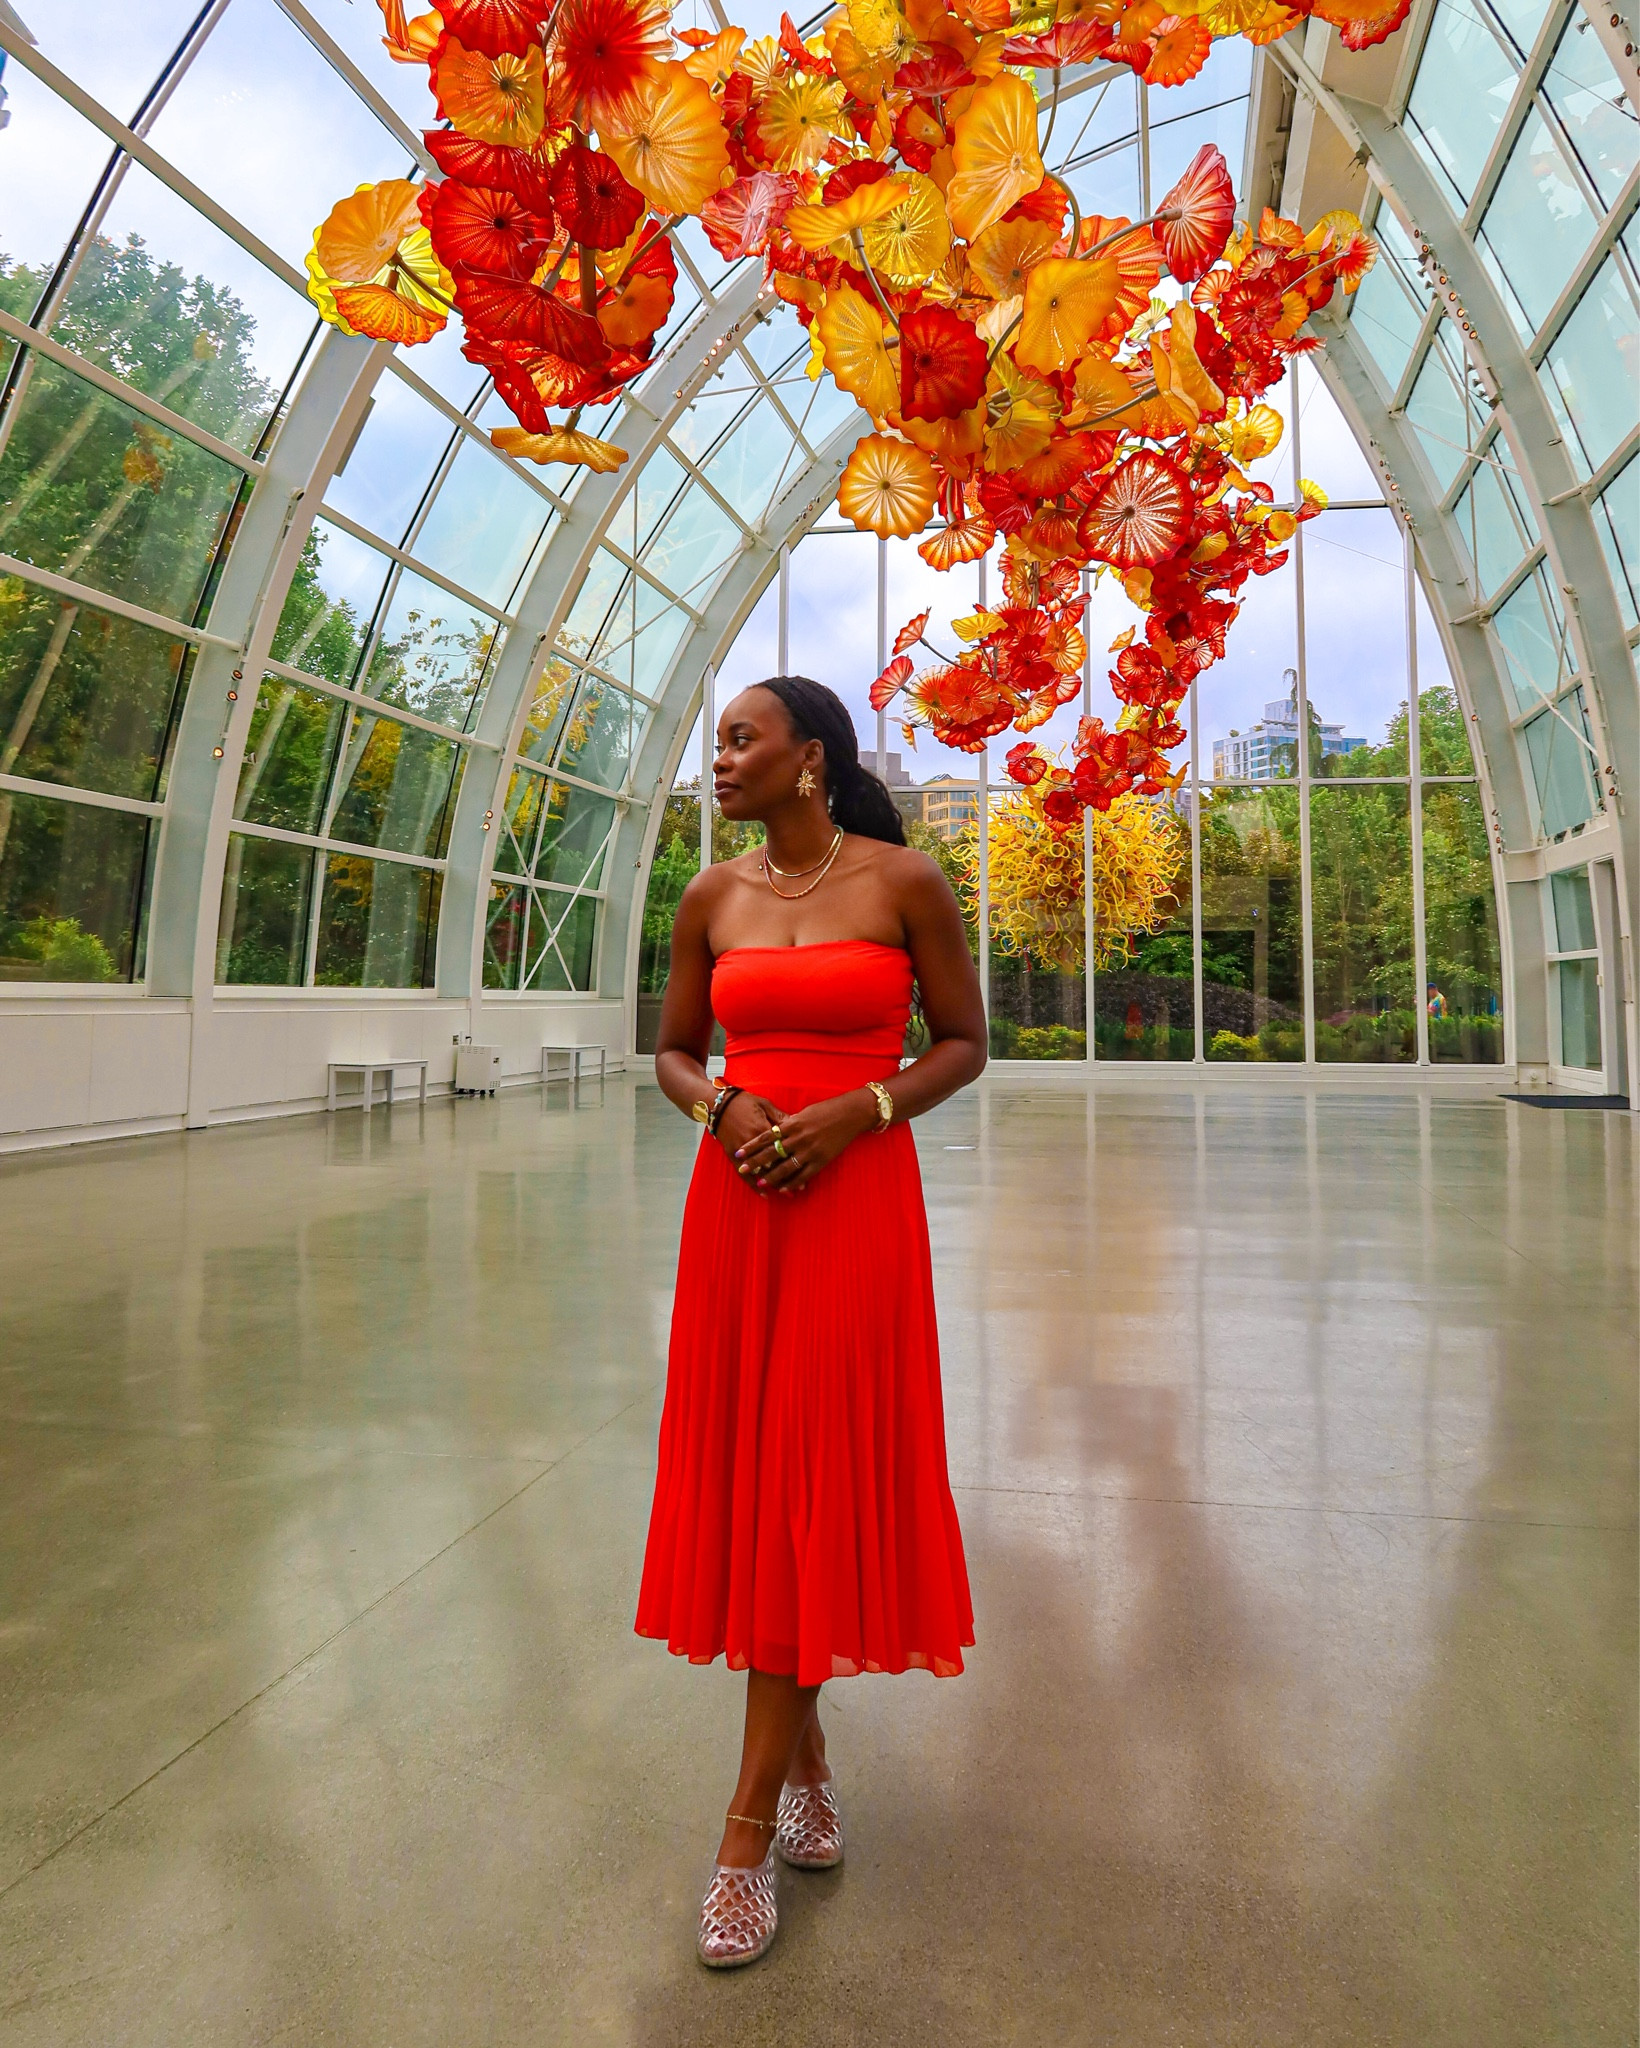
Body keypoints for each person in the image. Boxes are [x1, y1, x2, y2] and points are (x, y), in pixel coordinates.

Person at [636, 674, 988, 1968]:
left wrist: (861, 1111)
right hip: (736, 1214)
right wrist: (719, 1108)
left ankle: (743, 1828)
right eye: (716, 742)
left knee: (814, 1470)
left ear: (810, 758)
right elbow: (674, 1051)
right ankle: (806, 1763)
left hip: (854, 1210)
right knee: (761, 1482)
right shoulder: (709, 898)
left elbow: (963, 1041)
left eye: (740, 738)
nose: (718, 758)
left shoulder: (904, 883)